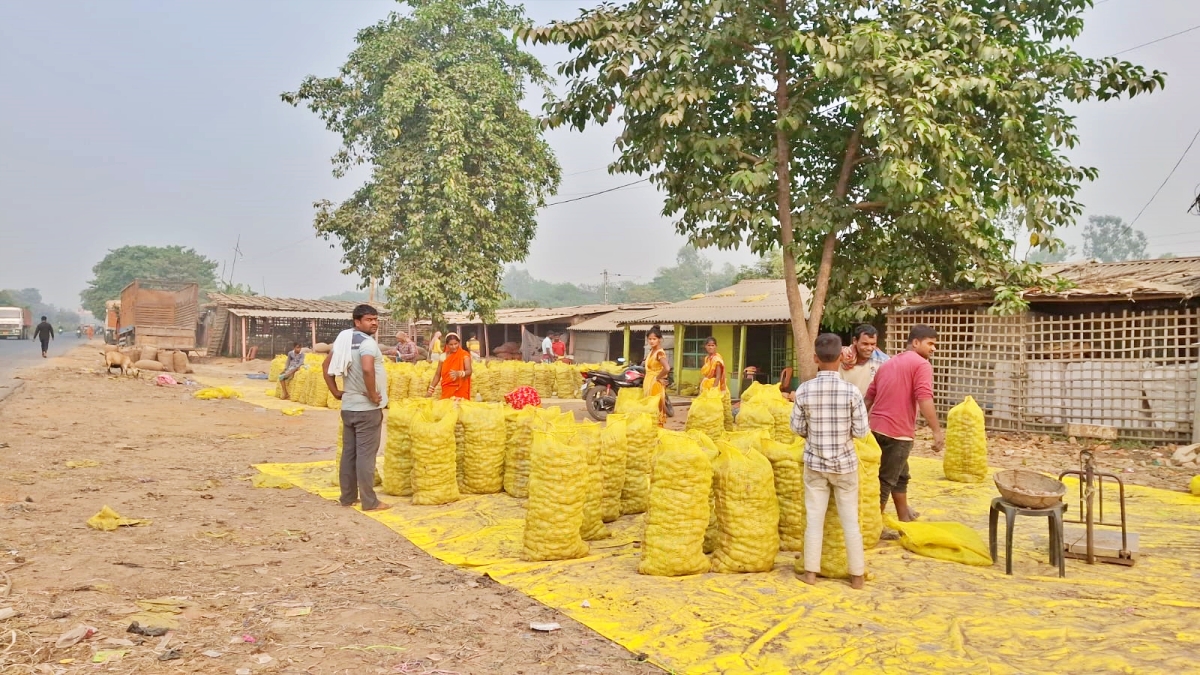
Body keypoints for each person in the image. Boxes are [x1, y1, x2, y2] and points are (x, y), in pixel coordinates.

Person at [791, 333, 869, 589]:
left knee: (814, 520)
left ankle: (811, 573)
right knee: (850, 521)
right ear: (840, 358)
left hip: (815, 464)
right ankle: (856, 576)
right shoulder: (852, 392)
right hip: (845, 466)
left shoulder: (804, 390)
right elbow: (861, 432)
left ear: (815, 358)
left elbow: (796, 427)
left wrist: (813, 435)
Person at [866, 324, 943, 525]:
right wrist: (937, 431)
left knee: (901, 475)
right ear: (916, 343)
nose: (934, 348)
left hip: (875, 429)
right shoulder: (921, 364)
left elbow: (869, 398)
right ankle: (874, 527)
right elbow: (924, 397)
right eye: (930, 343)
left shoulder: (887, 364)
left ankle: (903, 515)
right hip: (898, 433)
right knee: (885, 481)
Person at [322, 304, 389, 512]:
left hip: (349, 407)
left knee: (349, 454)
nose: (374, 323)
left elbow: (326, 367)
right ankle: (370, 501)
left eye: (376, 319)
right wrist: (371, 394)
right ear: (357, 322)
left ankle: (348, 497)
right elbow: (368, 369)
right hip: (366, 409)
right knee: (365, 456)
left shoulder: (343, 342)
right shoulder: (367, 344)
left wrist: (335, 391)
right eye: (369, 320)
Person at [840, 324, 889, 396]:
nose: (869, 348)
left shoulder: (883, 361)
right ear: (855, 341)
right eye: (865, 344)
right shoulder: (842, 358)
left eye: (873, 344)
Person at [700, 336, 733, 431]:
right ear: (705, 346)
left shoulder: (717, 360)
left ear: (716, 346)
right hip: (707, 386)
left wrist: (714, 390)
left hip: (717, 386)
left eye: (712, 345)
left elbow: (718, 376)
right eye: (708, 345)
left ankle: (725, 430)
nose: (710, 347)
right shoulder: (707, 358)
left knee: (721, 410)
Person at [427, 333, 472, 399]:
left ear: (459, 343)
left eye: (455, 344)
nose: (454, 346)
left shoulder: (464, 355)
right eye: (451, 344)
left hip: (460, 389)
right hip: (447, 389)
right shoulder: (443, 356)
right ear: (447, 345)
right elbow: (437, 375)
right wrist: (430, 390)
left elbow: (469, 371)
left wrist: (459, 373)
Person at [643, 325, 670, 426]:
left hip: (655, 384)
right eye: (649, 339)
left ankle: (658, 431)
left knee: (656, 408)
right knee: (650, 409)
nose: (651, 341)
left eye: (654, 339)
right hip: (649, 382)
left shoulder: (659, 353)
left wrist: (657, 378)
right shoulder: (651, 351)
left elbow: (667, 368)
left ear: (660, 340)